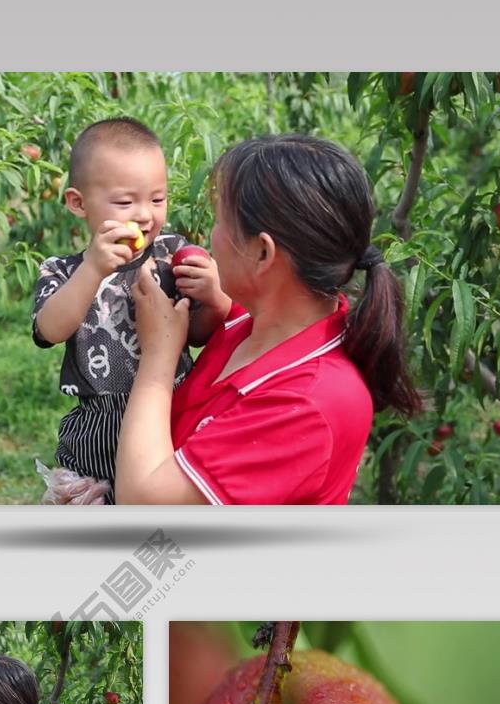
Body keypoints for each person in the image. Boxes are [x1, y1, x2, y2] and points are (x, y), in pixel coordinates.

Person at [114, 134, 422, 506]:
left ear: (262, 252)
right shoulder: (260, 323)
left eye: (220, 221)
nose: (211, 236)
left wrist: (158, 357)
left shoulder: (307, 404)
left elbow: (143, 502)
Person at [32, 116, 229, 503]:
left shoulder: (172, 255)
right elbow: (49, 331)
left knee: (160, 507)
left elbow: (198, 334)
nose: (144, 214)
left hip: (172, 410)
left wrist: (216, 297)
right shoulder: (64, 271)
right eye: (125, 202)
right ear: (78, 203)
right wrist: (94, 268)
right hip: (97, 426)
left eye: (158, 199)